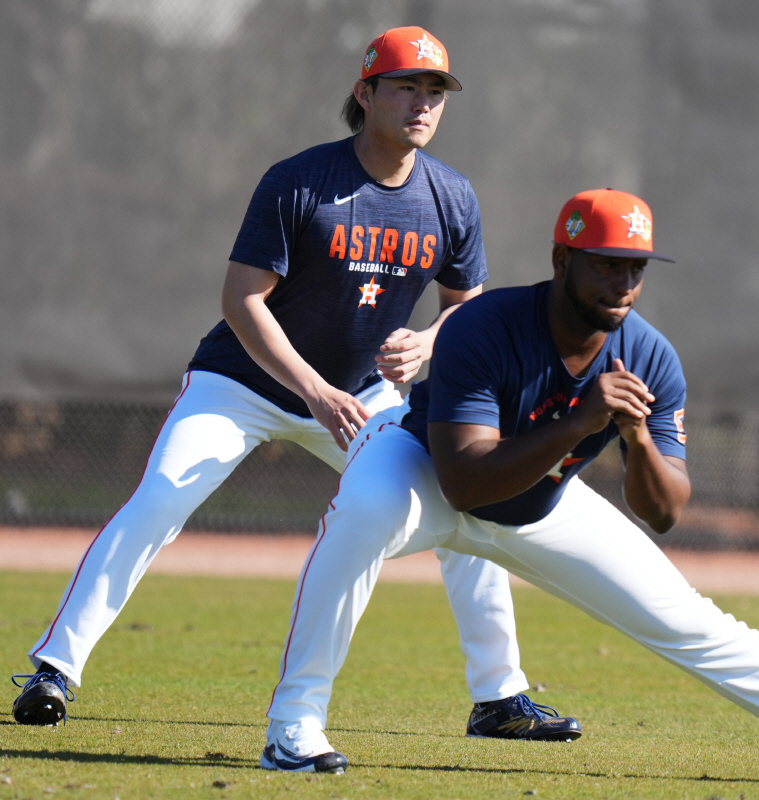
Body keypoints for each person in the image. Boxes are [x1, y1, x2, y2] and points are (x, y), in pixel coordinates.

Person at [258, 188, 759, 791]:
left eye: (636, 267)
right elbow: (466, 484)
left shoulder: (650, 355)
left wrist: (638, 440)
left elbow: (664, 511)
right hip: (422, 474)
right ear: (563, 260)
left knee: (694, 624)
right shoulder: (486, 326)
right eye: (607, 264)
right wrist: (582, 420)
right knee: (360, 515)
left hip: (542, 505)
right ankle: (294, 727)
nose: (623, 281)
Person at [11, 26, 580, 745]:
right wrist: (312, 390)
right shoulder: (301, 181)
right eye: (406, 85)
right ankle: (54, 668)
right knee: (160, 498)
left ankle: (498, 698)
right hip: (241, 383)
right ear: (365, 92)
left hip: (360, 395)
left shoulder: (450, 196)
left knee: (461, 505)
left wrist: (430, 341)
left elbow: (467, 303)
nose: (423, 102)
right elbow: (242, 300)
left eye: (435, 91)